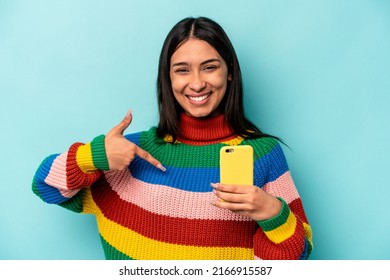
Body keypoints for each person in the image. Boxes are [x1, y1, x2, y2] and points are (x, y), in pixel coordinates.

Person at [32, 16, 313, 260]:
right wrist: (91, 156)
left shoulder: (263, 154)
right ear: (167, 77)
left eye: (210, 67)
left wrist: (273, 213)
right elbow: (45, 186)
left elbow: (295, 256)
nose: (197, 83)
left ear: (229, 72)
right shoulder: (129, 152)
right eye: (182, 70)